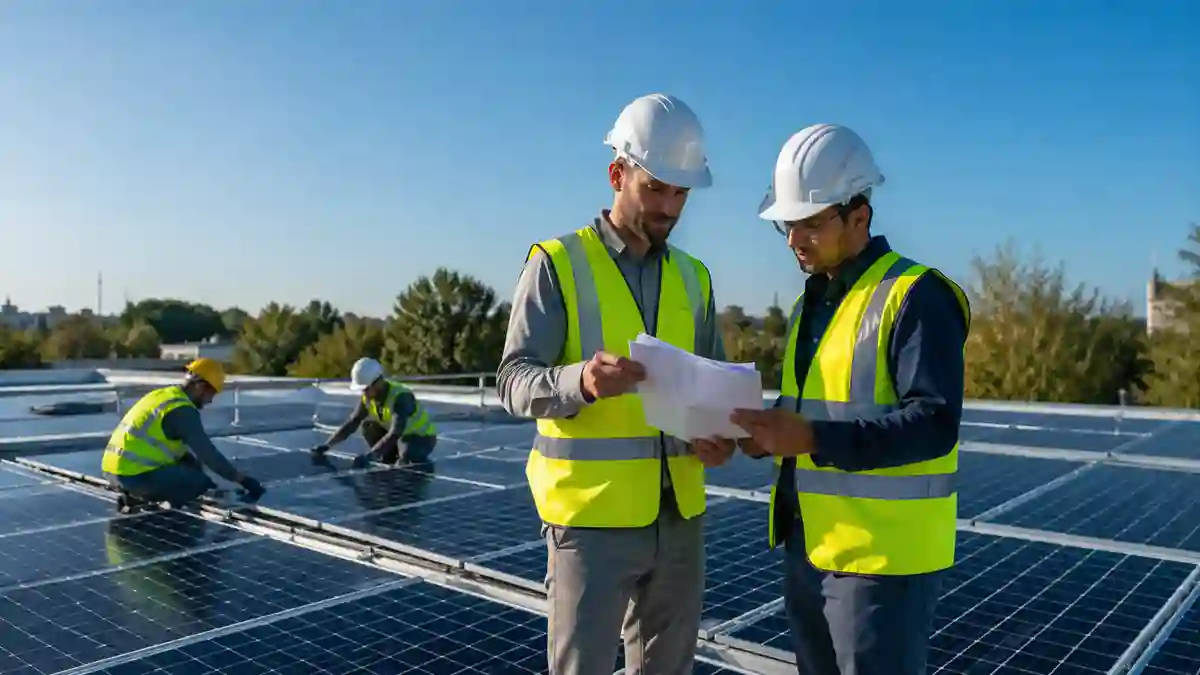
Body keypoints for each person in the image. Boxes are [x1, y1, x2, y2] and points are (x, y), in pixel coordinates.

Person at [496, 92, 734, 675]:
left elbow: (715, 387)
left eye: (681, 192)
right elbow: (512, 380)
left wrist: (721, 435)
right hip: (590, 523)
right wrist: (581, 380)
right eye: (656, 188)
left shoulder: (695, 278)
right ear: (616, 174)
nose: (671, 207)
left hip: (679, 515)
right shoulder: (558, 264)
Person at [728, 124, 971, 675]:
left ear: (859, 215)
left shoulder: (915, 295)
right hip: (810, 546)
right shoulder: (811, 304)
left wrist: (812, 437)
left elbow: (934, 423)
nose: (794, 239)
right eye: (788, 225)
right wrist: (765, 434)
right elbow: (812, 408)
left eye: (810, 223)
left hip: (881, 564)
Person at [101, 358, 265, 512]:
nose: (210, 401)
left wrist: (194, 466)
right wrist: (243, 480)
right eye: (211, 394)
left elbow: (169, 446)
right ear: (200, 386)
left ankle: (135, 498)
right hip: (132, 476)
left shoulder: (163, 395)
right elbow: (209, 455)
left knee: (192, 468)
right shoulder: (182, 410)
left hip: (111, 470)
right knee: (198, 483)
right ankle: (168, 516)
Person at [310, 357, 438, 468]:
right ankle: (388, 455)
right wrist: (327, 445)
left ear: (378, 382)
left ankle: (405, 458)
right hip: (398, 437)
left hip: (420, 438)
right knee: (368, 426)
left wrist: (371, 456)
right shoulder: (368, 397)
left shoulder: (401, 397)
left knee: (406, 457)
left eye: (366, 389)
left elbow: (395, 433)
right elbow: (353, 422)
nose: (364, 393)